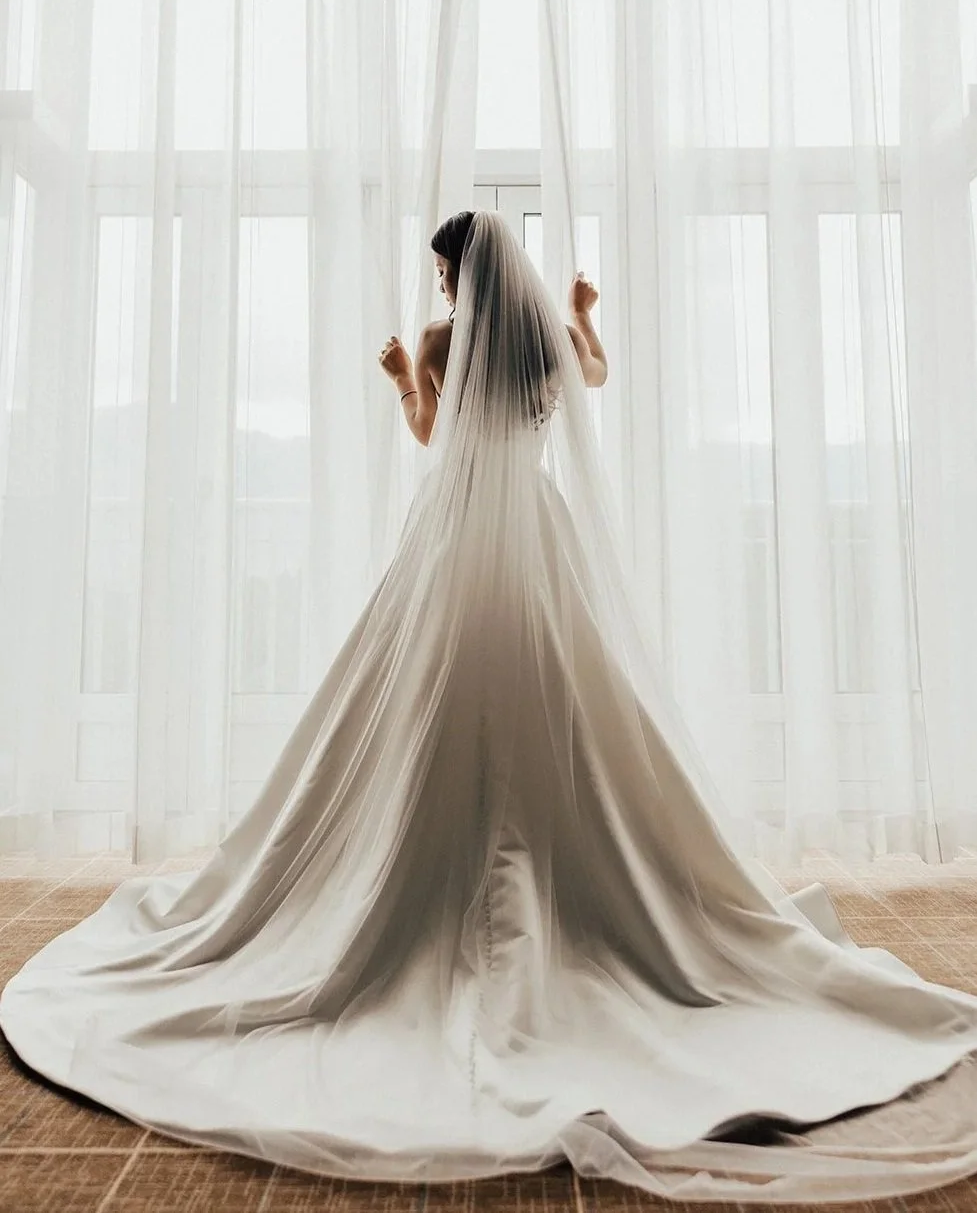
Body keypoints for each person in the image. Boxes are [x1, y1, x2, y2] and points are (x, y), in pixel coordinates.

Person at [4, 209, 977, 1203]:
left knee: (420, 709)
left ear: (461, 274)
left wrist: (399, 376)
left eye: (439, 271)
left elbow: (434, 435)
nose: (434, 289)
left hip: (457, 538)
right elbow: (590, 381)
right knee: (562, 710)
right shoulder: (541, 336)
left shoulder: (443, 342)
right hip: (533, 535)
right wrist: (585, 315)